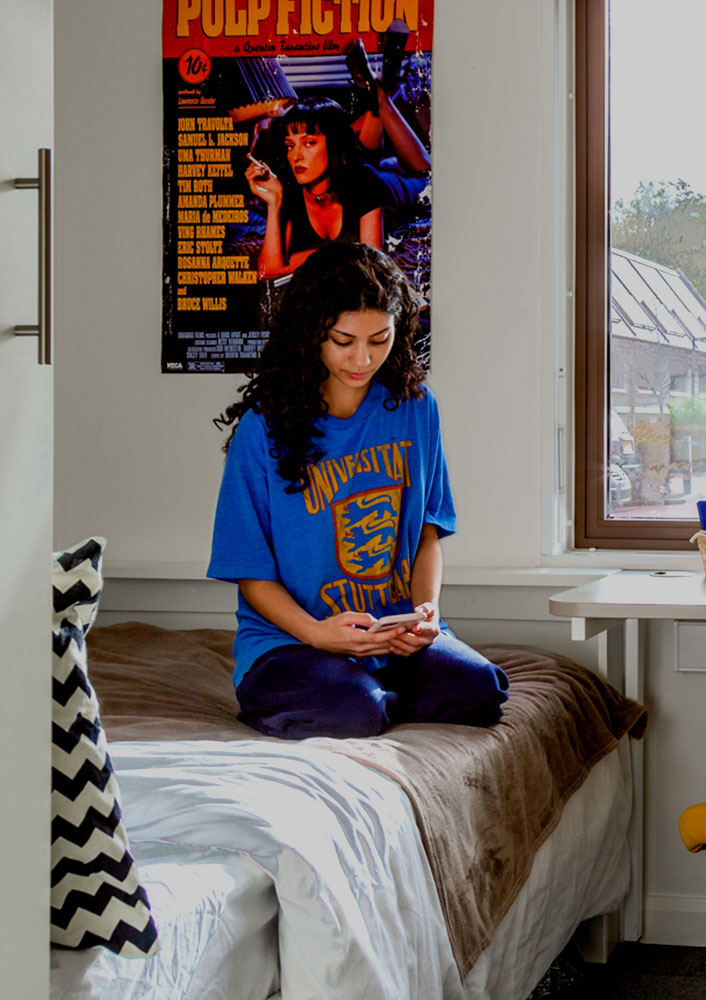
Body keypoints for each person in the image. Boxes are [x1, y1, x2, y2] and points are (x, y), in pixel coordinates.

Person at [208, 243, 506, 739]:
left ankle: (371, 691)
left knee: (482, 690)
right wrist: (320, 634)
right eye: (343, 340)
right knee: (353, 709)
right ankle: (358, 695)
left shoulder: (415, 408)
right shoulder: (263, 430)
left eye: (379, 339)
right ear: (312, 332)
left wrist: (427, 614)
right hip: (292, 643)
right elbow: (250, 573)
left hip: (391, 636)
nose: (363, 359)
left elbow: (428, 534)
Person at [243, 97, 388, 280]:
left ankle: (382, 97)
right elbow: (268, 275)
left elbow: (372, 268)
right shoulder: (288, 191)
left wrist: (302, 259)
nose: (296, 157)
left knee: (415, 177)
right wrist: (274, 202)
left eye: (309, 143)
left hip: (398, 185)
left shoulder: (366, 182)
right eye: (290, 146)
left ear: (334, 143)